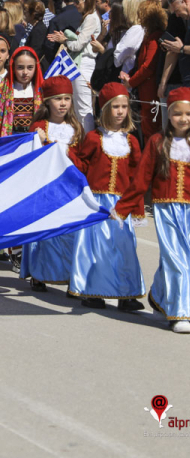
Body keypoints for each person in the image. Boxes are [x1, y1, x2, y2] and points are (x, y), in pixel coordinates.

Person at [114, 87, 190, 333]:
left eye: (189, 114)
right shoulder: (158, 142)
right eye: (178, 113)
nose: (184, 119)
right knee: (177, 261)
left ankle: (158, 296)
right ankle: (180, 313)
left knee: (181, 259)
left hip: (188, 212)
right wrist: (123, 208)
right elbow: (141, 179)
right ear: (169, 113)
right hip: (165, 210)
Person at [67, 83, 146, 310]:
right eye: (115, 107)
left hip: (121, 204)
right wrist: (68, 152)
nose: (120, 111)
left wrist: (137, 208)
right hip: (98, 203)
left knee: (124, 248)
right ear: (105, 109)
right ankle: (93, 291)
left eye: (124, 107)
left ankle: (126, 294)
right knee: (96, 248)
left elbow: (136, 178)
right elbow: (81, 165)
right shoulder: (94, 138)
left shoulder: (131, 141)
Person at [20, 75, 84, 288]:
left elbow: (82, 160)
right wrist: (38, 141)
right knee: (45, 235)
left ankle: (68, 274)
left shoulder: (76, 128)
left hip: (69, 188)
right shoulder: (39, 126)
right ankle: (40, 274)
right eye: (58, 99)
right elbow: (31, 159)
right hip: (46, 188)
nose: (63, 103)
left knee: (68, 234)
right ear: (47, 102)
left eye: (67, 98)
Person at [46, 0, 100, 133]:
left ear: (86, 1)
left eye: (77, 1)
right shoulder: (87, 17)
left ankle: (88, 141)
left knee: (83, 108)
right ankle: (81, 139)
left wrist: (64, 40)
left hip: (85, 64)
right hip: (80, 63)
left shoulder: (91, 18)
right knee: (76, 107)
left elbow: (78, 45)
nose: (75, 5)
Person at [120, 0, 168, 143]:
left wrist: (131, 82)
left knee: (151, 131)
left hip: (150, 92)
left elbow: (148, 67)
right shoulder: (153, 36)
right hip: (147, 91)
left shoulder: (155, 38)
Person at [0, 46, 44, 140]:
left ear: (36, 68)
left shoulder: (42, 91)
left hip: (36, 140)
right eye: (20, 68)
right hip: (12, 141)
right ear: (13, 68)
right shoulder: (3, 90)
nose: (25, 72)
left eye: (30, 68)